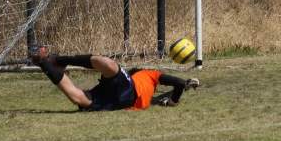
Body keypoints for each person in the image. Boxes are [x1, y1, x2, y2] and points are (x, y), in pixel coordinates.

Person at [29, 45, 199, 111]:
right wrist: (174, 100)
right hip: (126, 91)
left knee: (77, 98)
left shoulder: (149, 92)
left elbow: (164, 95)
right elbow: (176, 83)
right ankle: (56, 61)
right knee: (108, 64)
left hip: (120, 101)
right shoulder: (149, 74)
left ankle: (42, 61)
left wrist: (177, 92)